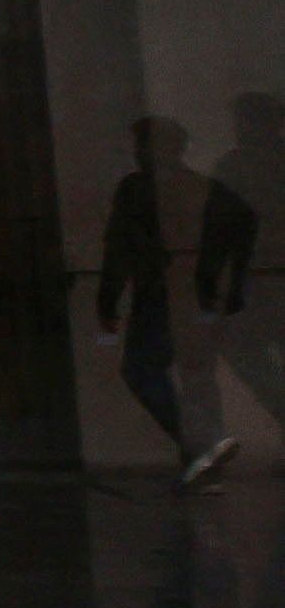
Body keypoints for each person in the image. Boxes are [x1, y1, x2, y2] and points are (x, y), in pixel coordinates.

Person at [95, 114, 251, 492]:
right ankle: (202, 459)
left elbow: (119, 247)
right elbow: (242, 221)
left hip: (161, 295)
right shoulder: (199, 187)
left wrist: (108, 299)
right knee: (196, 375)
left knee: (143, 369)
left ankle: (201, 447)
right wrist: (220, 280)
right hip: (197, 297)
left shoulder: (137, 190)